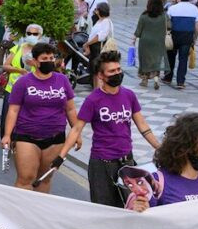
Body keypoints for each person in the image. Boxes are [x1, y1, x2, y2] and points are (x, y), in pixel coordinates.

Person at [53, 51, 161, 207]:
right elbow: (76, 129)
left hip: (127, 163)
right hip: (102, 165)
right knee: (104, 209)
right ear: (101, 76)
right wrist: (61, 157)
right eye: (112, 71)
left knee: (132, 207)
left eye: (118, 69)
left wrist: (159, 147)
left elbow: (143, 126)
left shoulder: (129, 95)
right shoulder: (93, 100)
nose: (117, 73)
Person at [1, 43, 80, 193]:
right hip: (27, 137)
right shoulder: (23, 82)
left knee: (44, 179)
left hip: (55, 138)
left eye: (51, 57)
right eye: (45, 58)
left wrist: (77, 133)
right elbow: (13, 110)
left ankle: (38, 214)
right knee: (26, 179)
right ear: (35, 62)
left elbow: (70, 109)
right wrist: (7, 135)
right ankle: (21, 213)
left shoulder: (62, 80)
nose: (49, 61)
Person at [0, 27, 40, 140]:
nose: (32, 35)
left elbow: (46, 70)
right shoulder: (17, 49)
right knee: (7, 117)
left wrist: (35, 64)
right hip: (12, 90)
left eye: (35, 33)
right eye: (29, 33)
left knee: (25, 119)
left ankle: (21, 142)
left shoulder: (41, 52)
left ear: (40, 35)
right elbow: (5, 66)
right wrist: (19, 70)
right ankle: (6, 139)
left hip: (31, 91)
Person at [162, 0, 198, 89]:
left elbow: (167, 23)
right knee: (183, 59)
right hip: (187, 36)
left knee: (171, 57)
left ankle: (168, 77)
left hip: (174, 35)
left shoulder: (172, 8)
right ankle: (180, 81)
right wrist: (195, 37)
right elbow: (197, 25)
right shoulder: (194, 9)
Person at [132, 0, 169, 89]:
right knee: (156, 61)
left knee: (144, 60)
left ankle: (144, 79)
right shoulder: (164, 16)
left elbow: (138, 30)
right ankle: (156, 79)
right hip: (158, 42)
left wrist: (133, 39)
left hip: (145, 42)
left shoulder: (144, 16)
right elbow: (168, 28)